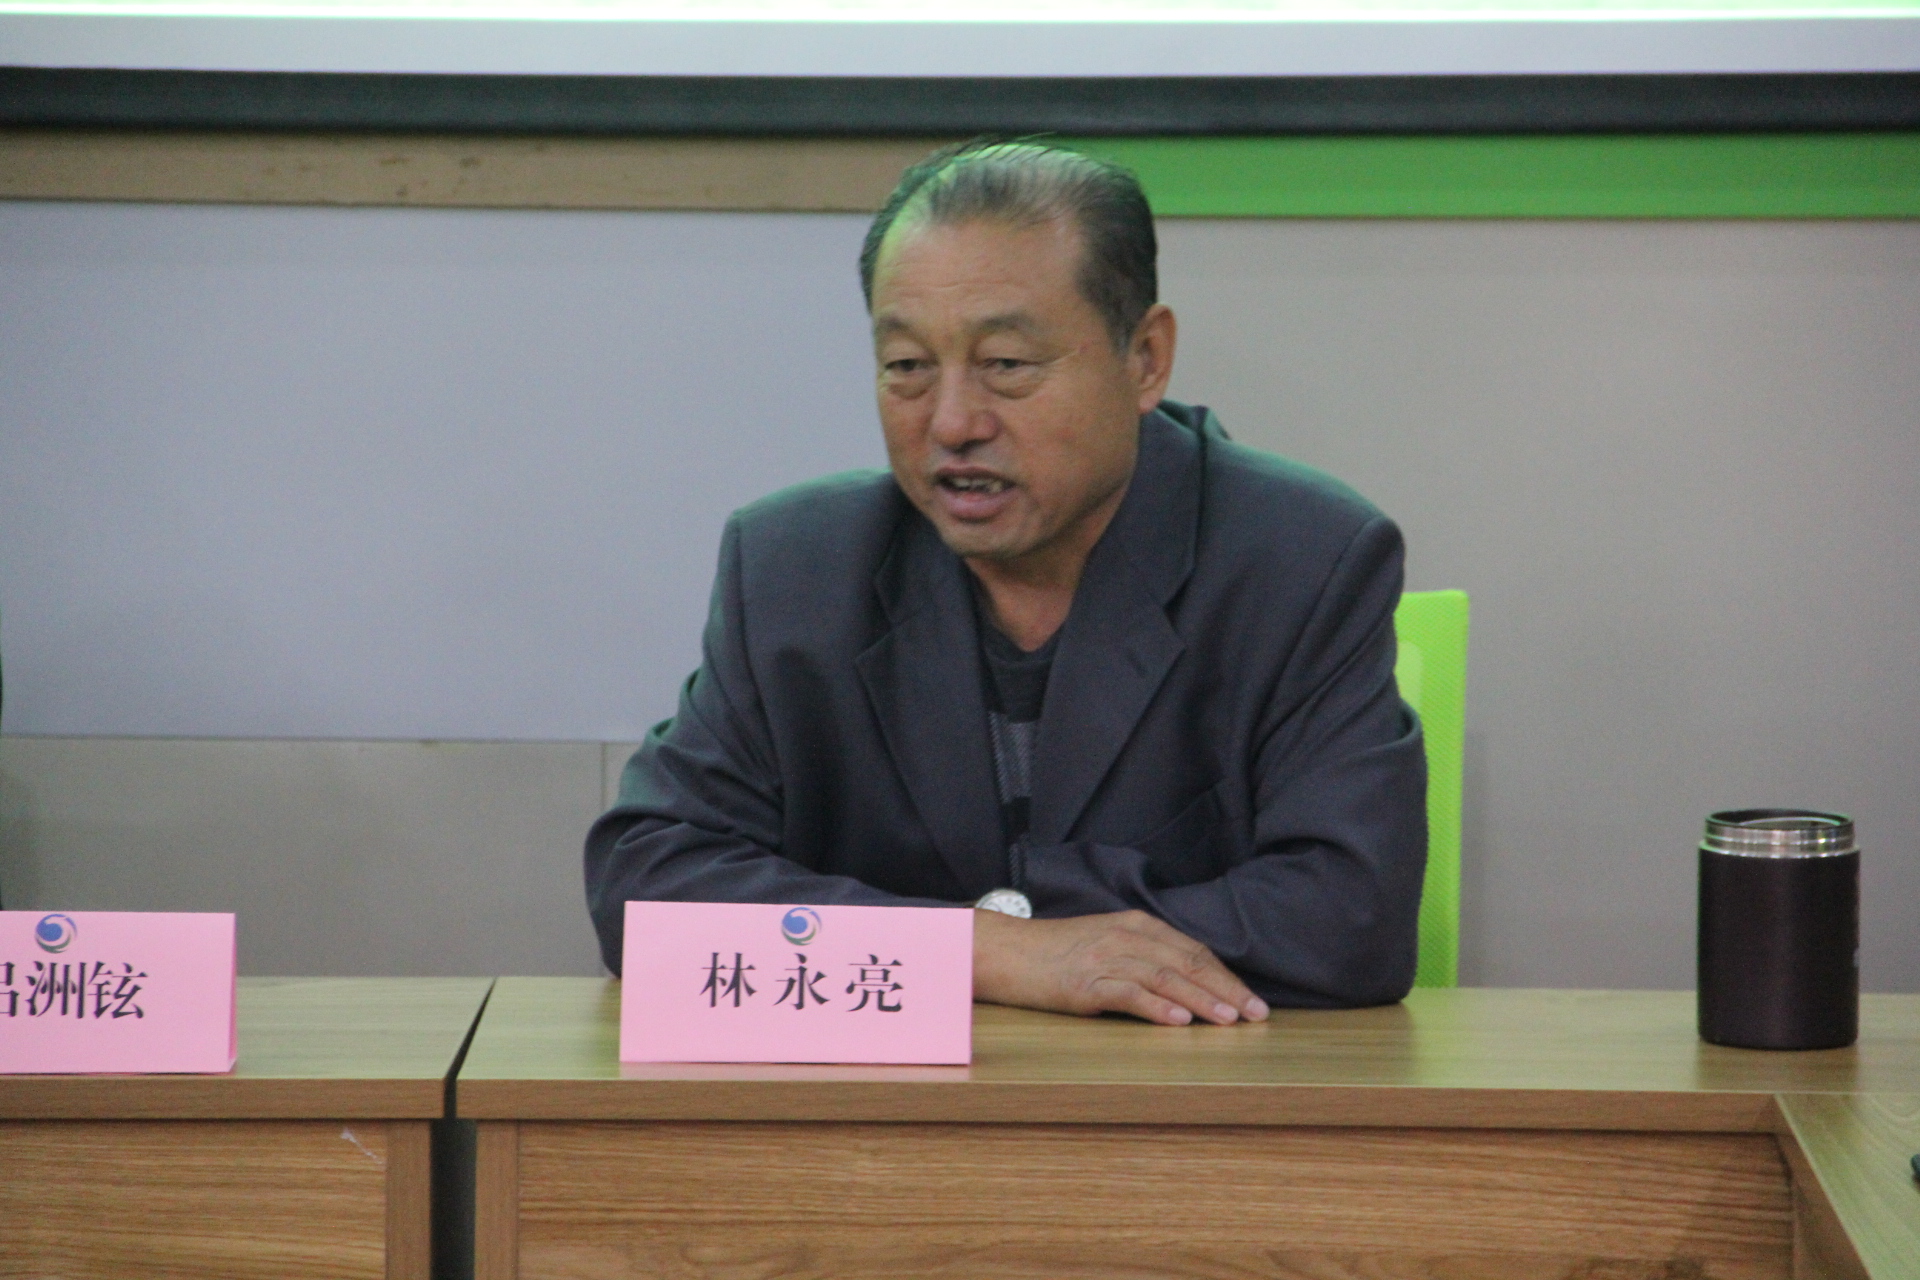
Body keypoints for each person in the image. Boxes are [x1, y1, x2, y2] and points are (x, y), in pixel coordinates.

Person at [586, 140, 1426, 1027]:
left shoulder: (1301, 561)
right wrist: (992, 951)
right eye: (907, 366)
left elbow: (1348, 916)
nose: (952, 422)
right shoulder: (794, 569)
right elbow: (645, 886)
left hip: (1182, 1098)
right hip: (887, 1102)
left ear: (1145, 358)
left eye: (1007, 364)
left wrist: (980, 929)